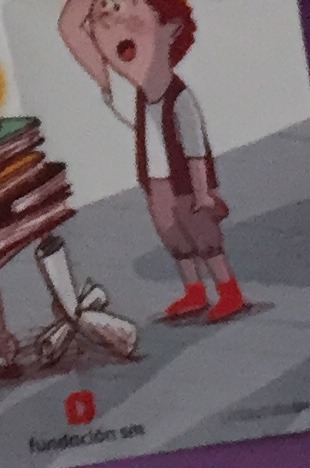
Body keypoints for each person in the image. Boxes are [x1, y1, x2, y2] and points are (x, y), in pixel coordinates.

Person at [58, 0, 245, 326]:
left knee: (203, 236)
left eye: (126, 9)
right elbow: (69, 27)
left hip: (187, 185)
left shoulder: (181, 99)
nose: (112, 21)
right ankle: (195, 291)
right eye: (102, 20)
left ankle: (228, 290)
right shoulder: (129, 95)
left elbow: (196, 151)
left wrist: (203, 193)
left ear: (171, 29)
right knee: (174, 238)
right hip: (157, 185)